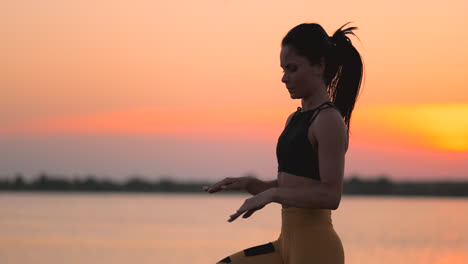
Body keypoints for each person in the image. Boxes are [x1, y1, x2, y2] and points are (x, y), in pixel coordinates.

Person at [202, 21, 364, 264]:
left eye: (292, 69)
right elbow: (294, 187)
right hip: (285, 246)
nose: (284, 78)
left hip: (317, 250)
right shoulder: (294, 119)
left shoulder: (328, 120)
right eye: (283, 69)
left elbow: (331, 195)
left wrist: (273, 194)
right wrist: (250, 184)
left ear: (319, 66)